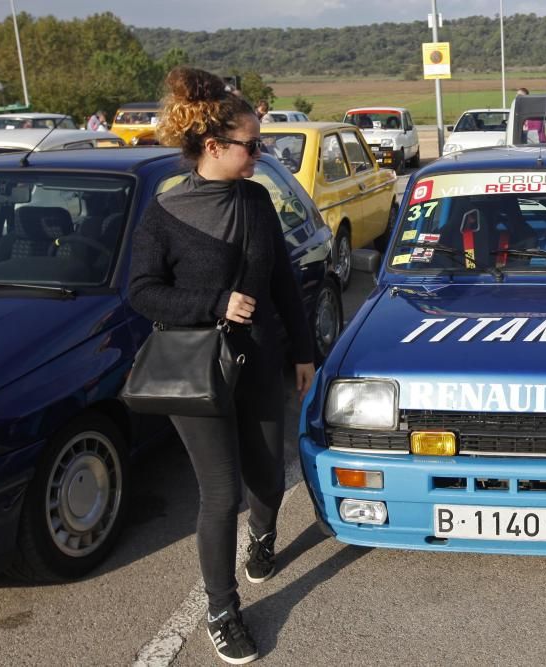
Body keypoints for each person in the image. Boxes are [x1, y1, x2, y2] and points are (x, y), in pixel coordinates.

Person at [128, 67, 315, 664]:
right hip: (197, 368)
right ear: (214, 147)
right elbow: (141, 291)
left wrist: (304, 349)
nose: (262, 153)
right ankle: (221, 610)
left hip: (258, 359)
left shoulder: (258, 200)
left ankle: (264, 538)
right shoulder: (165, 215)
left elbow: (284, 280)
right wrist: (213, 303)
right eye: (253, 145)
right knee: (220, 491)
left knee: (266, 475)